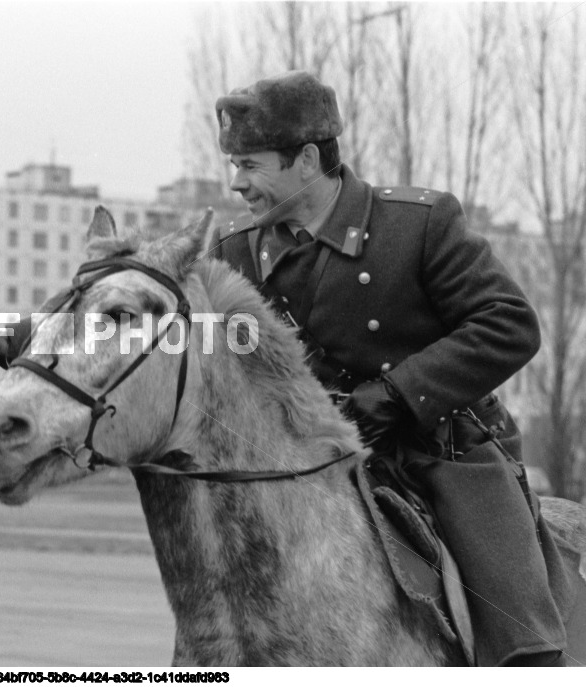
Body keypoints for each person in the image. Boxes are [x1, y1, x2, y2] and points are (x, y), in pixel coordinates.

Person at [206, 70, 568, 666]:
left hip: (441, 454)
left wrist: (396, 396)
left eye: (250, 164)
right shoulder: (234, 253)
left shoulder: (417, 225)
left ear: (304, 159)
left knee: (521, 640)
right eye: (234, 165)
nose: (237, 183)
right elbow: (180, 341)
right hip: (308, 468)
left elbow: (509, 323)